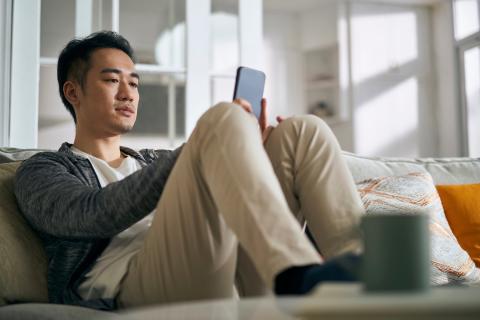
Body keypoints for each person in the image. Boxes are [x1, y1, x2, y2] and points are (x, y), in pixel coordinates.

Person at [14, 31, 365, 311]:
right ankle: (297, 276)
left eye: (134, 83)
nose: (128, 93)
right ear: (73, 91)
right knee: (223, 119)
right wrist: (209, 139)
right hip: (135, 287)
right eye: (112, 80)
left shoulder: (155, 158)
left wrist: (248, 149)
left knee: (303, 132)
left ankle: (368, 272)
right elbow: (89, 215)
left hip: (223, 269)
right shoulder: (44, 169)